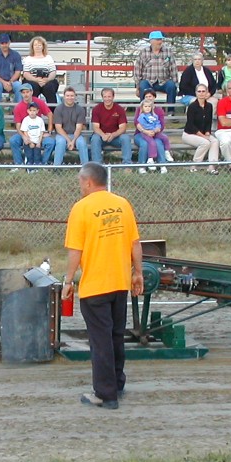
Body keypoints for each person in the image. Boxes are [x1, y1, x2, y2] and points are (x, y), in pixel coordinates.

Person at [63, 162, 143, 410]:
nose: (80, 187)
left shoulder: (81, 209)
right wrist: (137, 273)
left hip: (95, 285)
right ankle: (117, 383)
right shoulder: (122, 204)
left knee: (100, 341)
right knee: (115, 335)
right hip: (119, 282)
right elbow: (135, 243)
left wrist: (68, 280)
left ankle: (105, 394)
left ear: (87, 182)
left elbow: (75, 250)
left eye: (80, 182)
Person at [9, 83, 54, 168]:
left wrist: (49, 131)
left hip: (38, 132)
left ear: (32, 92)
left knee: (50, 143)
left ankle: (43, 164)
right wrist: (24, 136)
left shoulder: (39, 102)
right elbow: (18, 126)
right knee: (13, 141)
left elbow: (50, 114)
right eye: (23, 92)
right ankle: (19, 165)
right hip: (25, 132)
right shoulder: (18, 107)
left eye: (27, 92)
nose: (25, 94)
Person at [133, 30, 179, 113]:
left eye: (161, 39)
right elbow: (137, 70)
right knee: (143, 85)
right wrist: (137, 86)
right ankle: (144, 111)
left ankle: (170, 112)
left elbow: (173, 69)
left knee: (172, 86)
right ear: (151, 41)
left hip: (163, 82)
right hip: (148, 81)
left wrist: (176, 84)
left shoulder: (168, 52)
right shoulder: (143, 52)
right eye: (158, 40)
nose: (160, 42)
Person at [182, 84, 220, 174]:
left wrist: (207, 133)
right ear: (196, 93)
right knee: (205, 143)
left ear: (207, 93)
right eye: (199, 91)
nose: (201, 93)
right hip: (189, 134)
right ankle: (194, 166)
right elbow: (191, 125)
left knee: (215, 141)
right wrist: (203, 136)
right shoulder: (192, 107)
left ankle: (211, 167)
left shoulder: (209, 106)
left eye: (203, 91)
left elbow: (208, 122)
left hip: (203, 133)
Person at [89, 88, 133, 165]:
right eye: (105, 97)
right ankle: (97, 165)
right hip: (101, 137)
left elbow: (123, 128)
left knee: (125, 138)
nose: (107, 99)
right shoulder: (96, 109)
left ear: (113, 97)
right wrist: (103, 135)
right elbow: (95, 127)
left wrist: (112, 135)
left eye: (109, 96)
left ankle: (127, 164)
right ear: (102, 97)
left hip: (116, 137)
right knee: (95, 138)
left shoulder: (119, 109)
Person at [52, 86, 89, 165]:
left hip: (76, 135)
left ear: (75, 96)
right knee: (61, 142)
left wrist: (73, 141)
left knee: (82, 143)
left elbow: (79, 128)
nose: (70, 98)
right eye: (67, 96)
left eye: (72, 96)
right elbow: (58, 128)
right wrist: (69, 141)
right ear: (64, 97)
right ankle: (56, 167)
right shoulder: (58, 109)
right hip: (62, 135)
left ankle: (86, 168)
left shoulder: (80, 109)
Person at [133, 98, 169, 174]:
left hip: (154, 134)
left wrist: (155, 130)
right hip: (141, 134)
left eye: (150, 96)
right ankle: (142, 166)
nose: (148, 98)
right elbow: (137, 124)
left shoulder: (157, 111)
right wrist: (146, 131)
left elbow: (160, 125)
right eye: (146, 96)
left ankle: (162, 165)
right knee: (145, 143)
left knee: (158, 142)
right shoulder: (140, 112)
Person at [22, 36, 59, 104]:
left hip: (47, 80)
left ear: (43, 46)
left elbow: (53, 72)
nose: (37, 47)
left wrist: (47, 80)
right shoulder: (28, 58)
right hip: (32, 80)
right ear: (32, 47)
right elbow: (26, 73)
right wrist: (36, 80)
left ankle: (52, 111)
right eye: (35, 45)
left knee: (49, 88)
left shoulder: (48, 58)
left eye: (39, 45)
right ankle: (32, 109)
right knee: (33, 88)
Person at [0, 33, 23, 102]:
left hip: (13, 81)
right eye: (2, 43)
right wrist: (3, 82)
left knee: (19, 86)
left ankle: (18, 109)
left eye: (6, 43)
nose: (4, 45)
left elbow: (18, 71)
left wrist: (10, 82)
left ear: (9, 43)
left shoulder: (16, 55)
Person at [20, 102, 47, 168]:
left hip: (37, 141)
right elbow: (25, 132)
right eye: (30, 110)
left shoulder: (40, 120)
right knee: (29, 156)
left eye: (34, 110)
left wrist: (39, 142)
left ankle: (37, 168)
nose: (32, 112)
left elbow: (41, 132)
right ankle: (29, 168)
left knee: (37, 155)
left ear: (37, 111)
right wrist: (30, 142)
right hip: (29, 142)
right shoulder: (26, 120)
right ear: (28, 111)